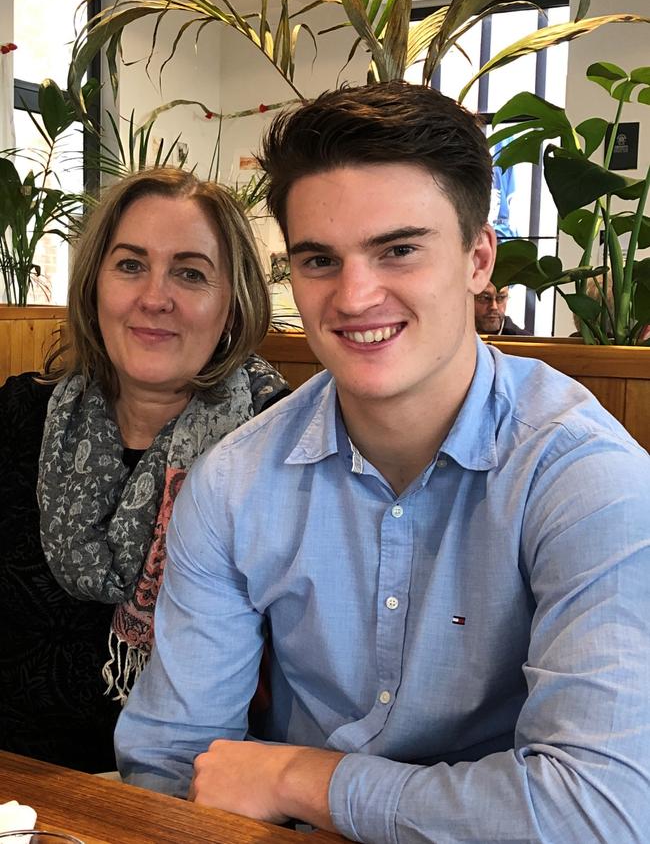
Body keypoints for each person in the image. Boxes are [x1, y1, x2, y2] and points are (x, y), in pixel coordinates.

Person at [115, 84, 650, 842]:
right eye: (320, 259)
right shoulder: (235, 482)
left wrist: (302, 778)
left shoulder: (588, 480)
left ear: (476, 259)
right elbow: (172, 765)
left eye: (398, 249)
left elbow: (602, 812)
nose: (355, 294)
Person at [0, 167, 289, 773]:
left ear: (233, 305)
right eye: (130, 265)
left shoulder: (277, 446)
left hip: (180, 790)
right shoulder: (18, 416)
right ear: (94, 287)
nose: (154, 297)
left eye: (190, 273)